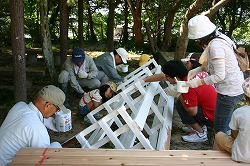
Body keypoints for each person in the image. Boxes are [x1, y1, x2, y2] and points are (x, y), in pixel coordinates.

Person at [186, 15, 244, 135]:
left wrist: (198, 82)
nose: (197, 41)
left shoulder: (215, 46)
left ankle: (223, 150)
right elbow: (220, 65)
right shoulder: (221, 37)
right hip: (235, 85)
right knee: (224, 121)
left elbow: (219, 76)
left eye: (197, 38)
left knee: (220, 128)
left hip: (229, 90)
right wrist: (200, 69)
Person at [143, 60, 217, 142]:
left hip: (212, 117)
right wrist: (143, 80)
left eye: (167, 76)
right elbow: (161, 77)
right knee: (184, 103)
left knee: (180, 105)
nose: (166, 78)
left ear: (176, 78)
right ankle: (198, 126)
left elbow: (192, 111)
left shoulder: (188, 86)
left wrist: (179, 95)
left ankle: (201, 133)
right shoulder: (189, 75)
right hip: (215, 111)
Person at [0, 85, 66, 165]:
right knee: (56, 146)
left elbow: (28, 120)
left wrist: (44, 120)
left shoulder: (19, 106)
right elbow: (44, 161)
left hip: (3, 158)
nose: (56, 113)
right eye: (57, 109)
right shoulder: (38, 130)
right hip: (8, 164)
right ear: (47, 105)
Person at [214, 77, 250, 163]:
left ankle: (215, 161)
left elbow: (234, 135)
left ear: (245, 95)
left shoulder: (239, 112)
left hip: (242, 156)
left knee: (219, 135)